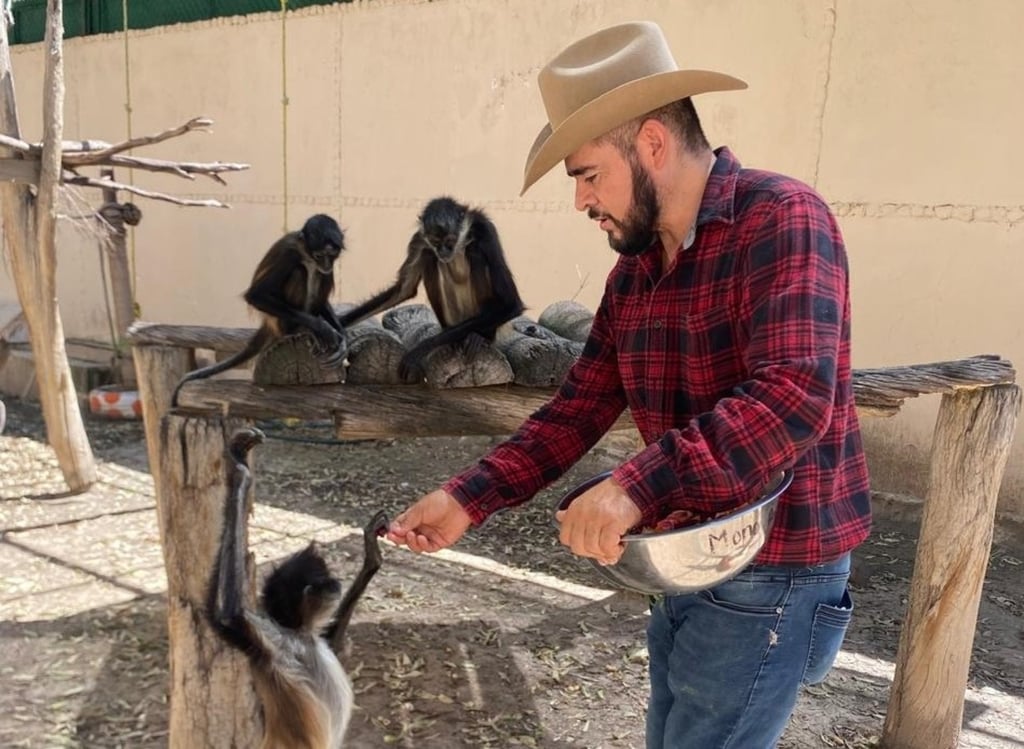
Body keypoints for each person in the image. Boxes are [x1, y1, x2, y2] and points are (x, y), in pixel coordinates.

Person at [386, 20, 871, 748]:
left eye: (587, 174)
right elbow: (576, 409)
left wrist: (633, 486)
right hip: (681, 556)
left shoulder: (783, 219)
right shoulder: (636, 272)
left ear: (651, 143)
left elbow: (793, 394)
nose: (581, 201)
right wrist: (465, 497)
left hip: (776, 567)